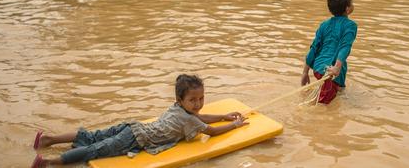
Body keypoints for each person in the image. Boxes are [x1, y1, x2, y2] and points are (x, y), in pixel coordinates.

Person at [30, 75, 248, 167]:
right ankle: (49, 163)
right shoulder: (187, 118)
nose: (198, 104)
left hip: (133, 126)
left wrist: (222, 116)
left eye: (201, 98)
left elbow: (199, 117)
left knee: (92, 136)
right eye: (193, 100)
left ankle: (49, 139)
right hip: (134, 138)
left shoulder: (180, 109)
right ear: (180, 100)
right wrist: (234, 125)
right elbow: (210, 131)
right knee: (94, 150)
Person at [301, 0, 357, 104]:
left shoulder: (324, 25)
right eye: (351, 2)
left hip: (319, 69)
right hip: (330, 72)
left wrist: (305, 73)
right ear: (347, 9)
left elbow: (314, 47)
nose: (353, 4)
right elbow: (345, 47)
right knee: (322, 107)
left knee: (340, 92)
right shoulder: (350, 25)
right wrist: (336, 67)